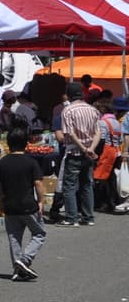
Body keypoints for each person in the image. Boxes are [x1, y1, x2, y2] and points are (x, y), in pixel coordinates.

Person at [0, 126, 46, 281]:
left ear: (9, 143)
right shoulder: (30, 162)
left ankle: (17, 269)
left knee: (14, 237)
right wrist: (41, 201)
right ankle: (24, 260)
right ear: (26, 143)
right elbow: (38, 183)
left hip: (9, 205)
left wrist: (1, 201)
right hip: (28, 204)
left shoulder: (2, 163)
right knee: (39, 233)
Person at [59, 81, 101, 226]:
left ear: (68, 95)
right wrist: (91, 149)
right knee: (86, 185)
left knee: (69, 185)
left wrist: (83, 148)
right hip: (89, 154)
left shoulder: (68, 111)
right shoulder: (93, 110)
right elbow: (98, 133)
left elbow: (70, 133)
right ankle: (88, 217)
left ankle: (71, 218)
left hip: (74, 152)